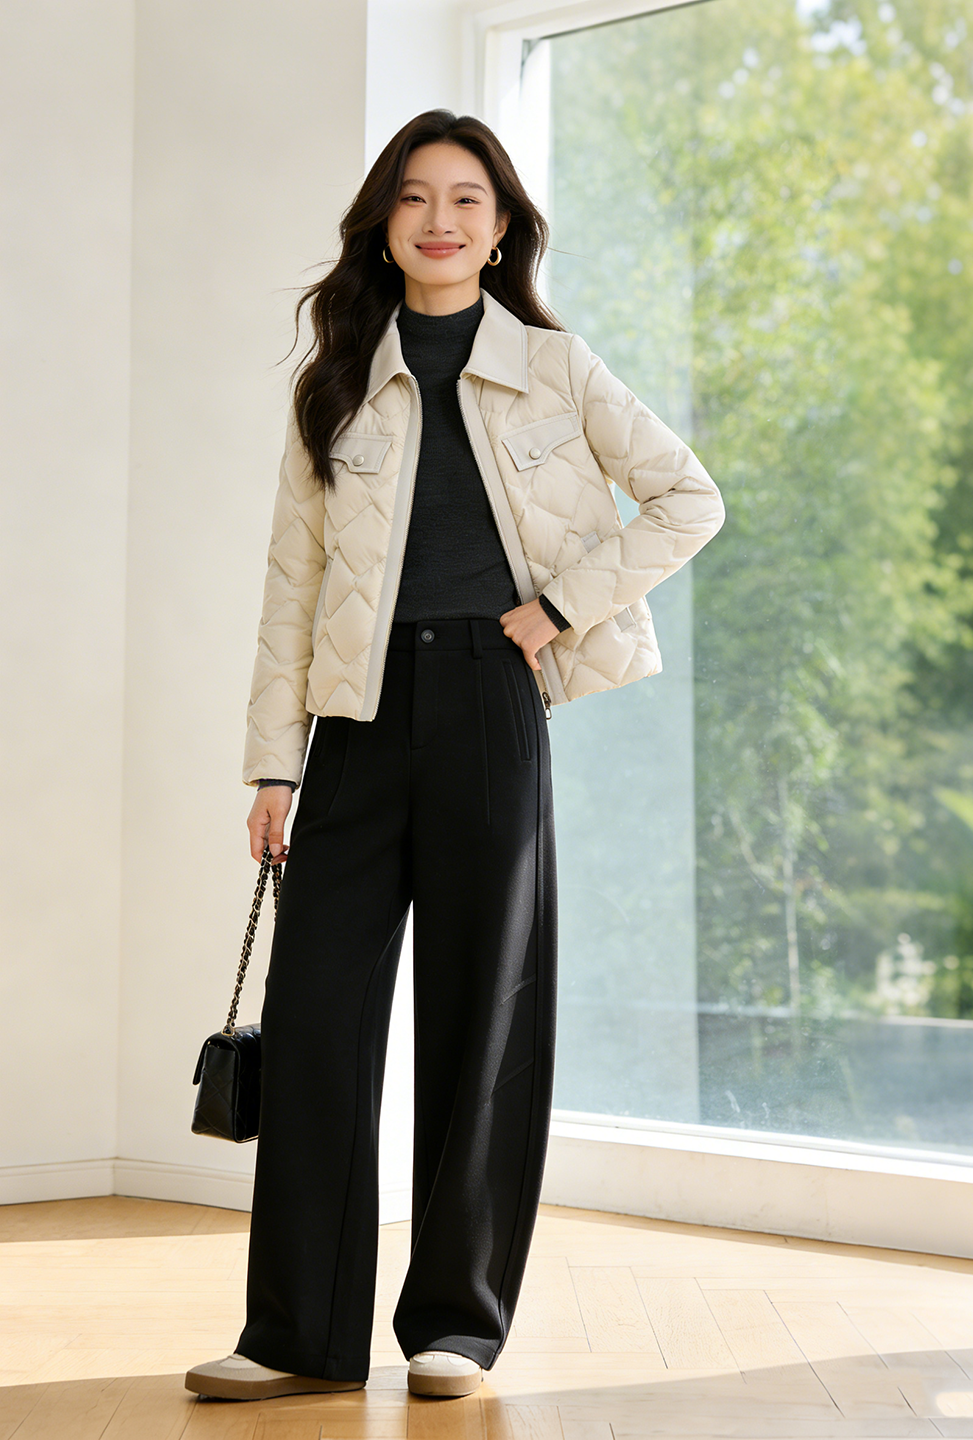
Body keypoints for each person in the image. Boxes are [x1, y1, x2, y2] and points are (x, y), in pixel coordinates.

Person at [185, 108, 725, 1405]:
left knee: (484, 1015)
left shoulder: (555, 365)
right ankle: (296, 1337)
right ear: (385, 222)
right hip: (354, 720)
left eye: (467, 199)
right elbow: (291, 585)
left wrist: (560, 608)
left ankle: (455, 1326)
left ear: (500, 228)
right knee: (318, 1023)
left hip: (491, 699)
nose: (440, 218)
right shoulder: (336, 379)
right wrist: (273, 765)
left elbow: (688, 497)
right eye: (417, 197)